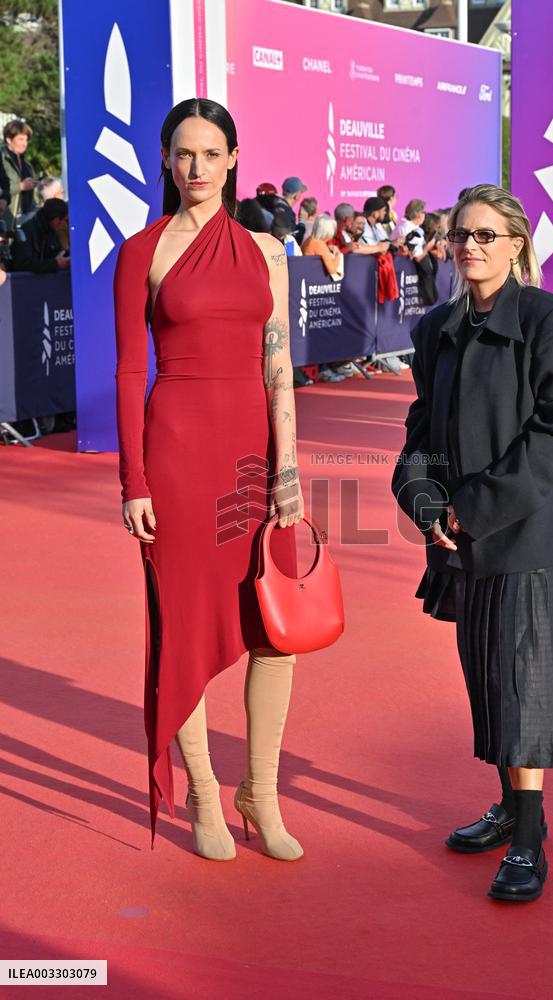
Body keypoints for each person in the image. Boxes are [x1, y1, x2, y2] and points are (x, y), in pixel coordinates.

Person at [391, 183, 553, 902]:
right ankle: (510, 807)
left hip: (526, 532)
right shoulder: (437, 329)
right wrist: (419, 491)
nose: (471, 246)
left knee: (524, 681)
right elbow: (422, 428)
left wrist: (472, 508)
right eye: (461, 235)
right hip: (459, 534)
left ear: (516, 244)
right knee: (484, 673)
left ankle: (530, 835)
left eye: (486, 235)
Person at [113, 97, 306, 862]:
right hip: (179, 456)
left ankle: (262, 790)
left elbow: (281, 363)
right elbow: (131, 372)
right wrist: (135, 481)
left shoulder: (267, 250)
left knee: (274, 630)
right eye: (182, 153)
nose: (196, 167)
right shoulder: (144, 251)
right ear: (166, 159)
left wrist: (288, 469)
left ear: (233, 159)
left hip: (253, 458)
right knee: (185, 626)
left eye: (210, 153)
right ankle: (202, 791)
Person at [10, 198, 70, 274]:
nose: (66, 224)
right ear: (56, 220)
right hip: (22, 283)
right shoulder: (27, 231)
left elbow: (55, 254)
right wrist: (55, 264)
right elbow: (23, 264)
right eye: (66, 220)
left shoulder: (51, 230)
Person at [1, 119, 38, 230]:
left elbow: (32, 196)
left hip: (26, 221)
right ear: (8, 139)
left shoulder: (27, 165)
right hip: (6, 219)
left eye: (26, 140)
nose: (24, 143)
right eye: (21, 139)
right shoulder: (2, 161)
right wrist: (21, 186)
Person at [301, 214, 344, 280]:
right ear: (329, 230)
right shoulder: (319, 244)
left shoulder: (308, 240)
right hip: (315, 279)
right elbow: (332, 270)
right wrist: (338, 255)